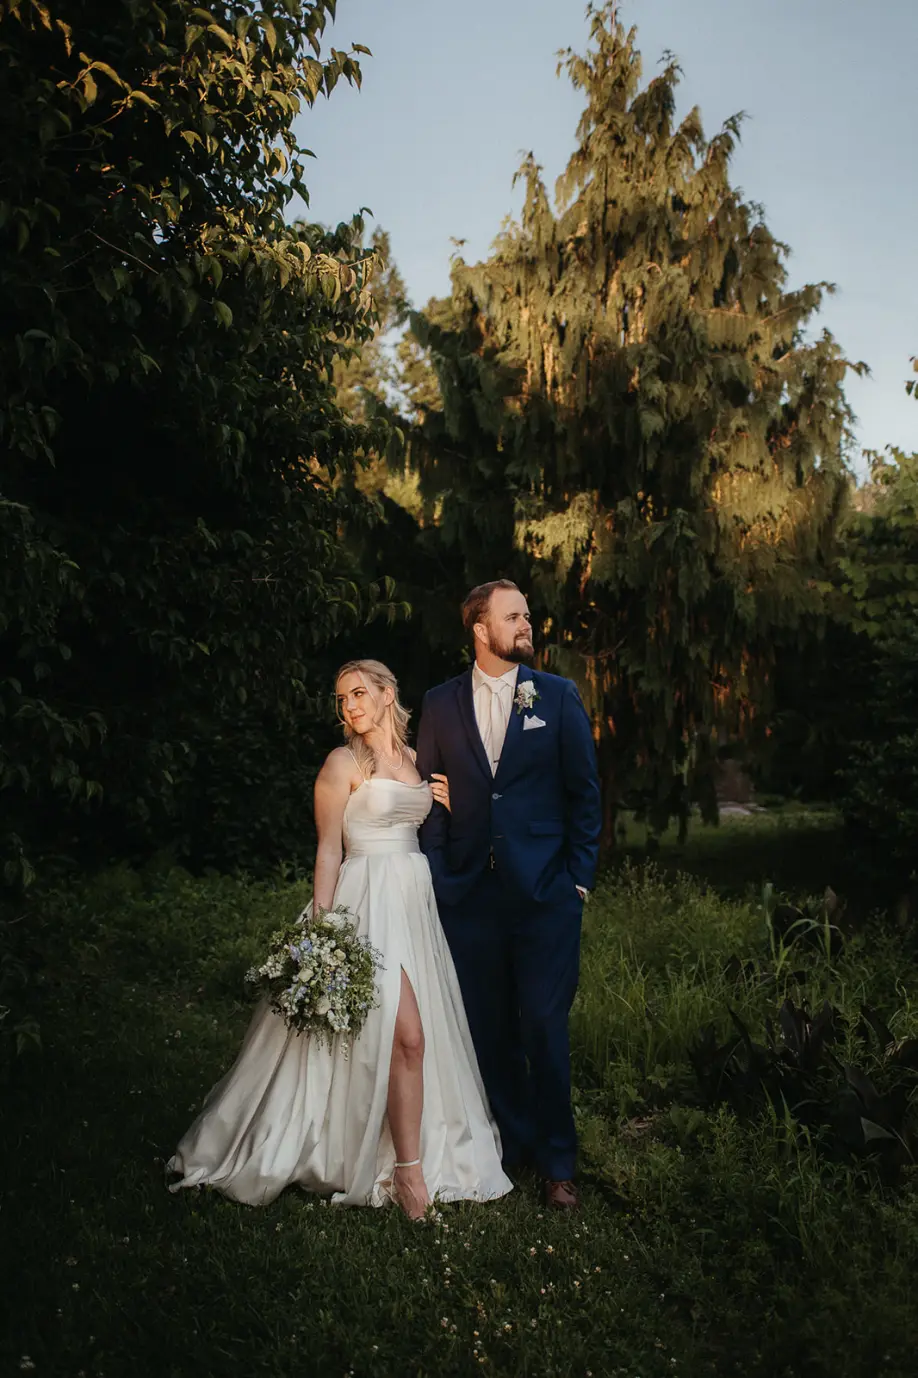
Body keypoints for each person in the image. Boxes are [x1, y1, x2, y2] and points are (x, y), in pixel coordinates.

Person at [167, 659, 512, 1218]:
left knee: (408, 1040)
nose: (348, 706)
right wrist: (323, 932)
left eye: (357, 694)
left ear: (386, 693)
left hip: (413, 902)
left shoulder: (418, 761)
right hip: (364, 904)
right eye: (341, 699)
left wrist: (447, 804)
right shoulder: (341, 763)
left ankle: (400, 1157)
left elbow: (434, 833)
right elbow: (329, 849)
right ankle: (409, 1175)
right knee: (408, 1036)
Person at [416, 580, 602, 1210]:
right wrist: (440, 874)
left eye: (527, 614)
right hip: (469, 894)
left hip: (547, 894)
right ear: (479, 628)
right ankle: (512, 1143)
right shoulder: (440, 705)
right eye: (513, 615)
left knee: (545, 1027)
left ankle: (557, 1164)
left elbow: (585, 793)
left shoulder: (556, 695)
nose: (527, 623)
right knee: (487, 1031)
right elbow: (429, 797)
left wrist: (577, 879)